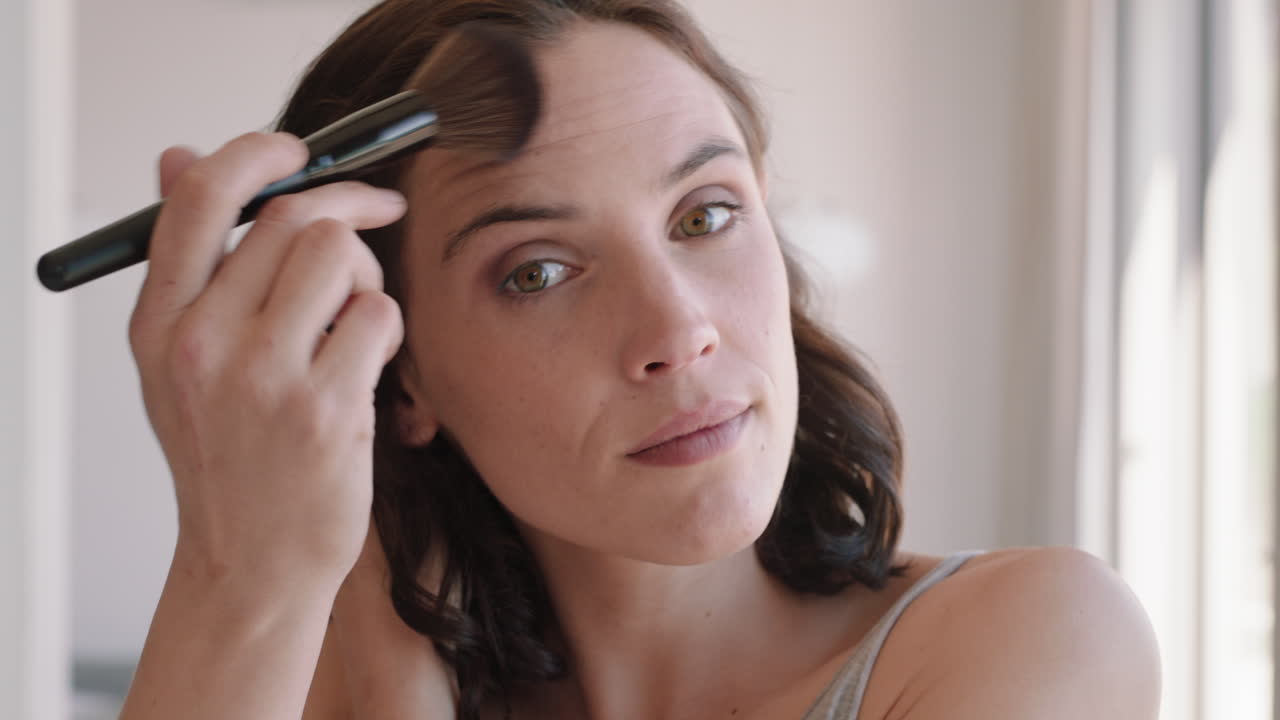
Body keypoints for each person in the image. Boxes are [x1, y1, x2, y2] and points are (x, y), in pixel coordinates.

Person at [118, 1, 1162, 718]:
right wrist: (241, 571)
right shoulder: (308, 679)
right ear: (397, 376)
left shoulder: (1027, 639)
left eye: (705, 214)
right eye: (536, 272)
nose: (677, 333)